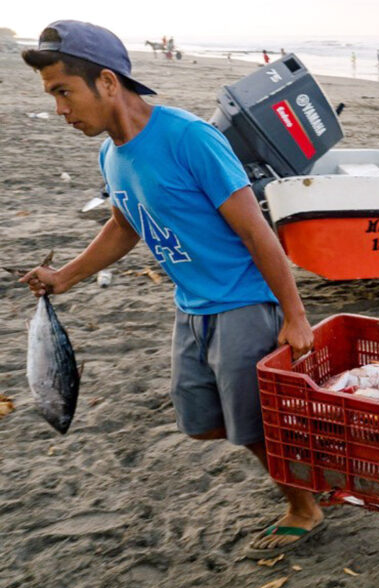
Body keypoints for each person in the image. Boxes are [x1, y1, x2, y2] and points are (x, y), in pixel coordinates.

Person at [20, 20, 326, 560]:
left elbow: (257, 230)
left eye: (64, 92)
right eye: (53, 97)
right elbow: (124, 224)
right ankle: (306, 465)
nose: (60, 110)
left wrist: (294, 313)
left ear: (108, 83)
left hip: (242, 304)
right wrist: (63, 276)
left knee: (252, 426)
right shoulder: (111, 155)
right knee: (202, 423)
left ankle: (306, 506)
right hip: (191, 308)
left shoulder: (189, 138)